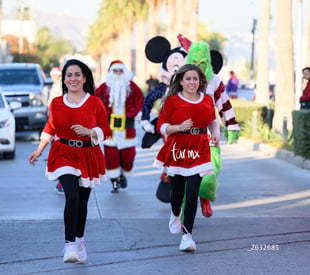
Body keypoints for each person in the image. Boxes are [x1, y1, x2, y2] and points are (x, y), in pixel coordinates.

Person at [28, 59, 111, 264]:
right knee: (71, 197)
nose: (72, 78)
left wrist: (90, 132)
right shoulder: (56, 103)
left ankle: (80, 240)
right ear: (64, 79)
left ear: (84, 78)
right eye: (69, 75)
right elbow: (51, 127)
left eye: (77, 75)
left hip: (88, 156)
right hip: (62, 153)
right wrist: (39, 149)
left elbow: (106, 131)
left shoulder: (95, 102)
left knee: (82, 203)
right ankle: (69, 245)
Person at [154, 64, 219, 252]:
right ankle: (175, 213)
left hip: (199, 149)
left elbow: (213, 121)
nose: (192, 82)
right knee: (177, 194)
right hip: (178, 150)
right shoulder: (173, 101)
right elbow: (161, 126)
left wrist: (215, 134)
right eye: (188, 78)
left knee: (192, 194)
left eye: (195, 79)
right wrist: (178, 127)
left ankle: (187, 236)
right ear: (181, 81)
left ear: (200, 82)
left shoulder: (207, 100)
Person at [184, 40, 240, 217]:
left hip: (209, 135)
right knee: (187, 177)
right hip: (185, 136)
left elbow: (224, 104)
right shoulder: (180, 79)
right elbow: (170, 105)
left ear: (208, 63)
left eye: (203, 63)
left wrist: (231, 126)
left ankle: (205, 198)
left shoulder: (215, 81)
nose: (199, 67)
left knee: (209, 173)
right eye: (195, 62)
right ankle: (184, 214)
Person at [95, 60, 144, 193]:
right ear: (110, 73)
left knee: (129, 157)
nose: (117, 74)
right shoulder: (103, 88)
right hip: (110, 130)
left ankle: (123, 174)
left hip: (127, 128)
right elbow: (95, 103)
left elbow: (140, 101)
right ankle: (114, 180)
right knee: (111, 157)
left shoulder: (132, 87)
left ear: (124, 72)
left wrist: (139, 115)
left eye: (120, 71)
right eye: (115, 71)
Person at [47, 67, 65, 194]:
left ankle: (62, 182)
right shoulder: (55, 86)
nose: (54, 77)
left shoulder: (61, 87)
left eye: (56, 75)